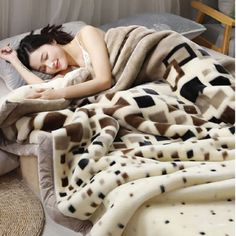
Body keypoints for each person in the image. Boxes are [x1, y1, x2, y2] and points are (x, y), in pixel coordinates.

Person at [0, 25, 112, 100]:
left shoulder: (87, 33)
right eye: (43, 69)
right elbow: (44, 88)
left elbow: (104, 80)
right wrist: (14, 60)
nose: (50, 65)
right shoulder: (68, 72)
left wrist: (59, 94)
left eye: (46, 56)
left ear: (52, 41)